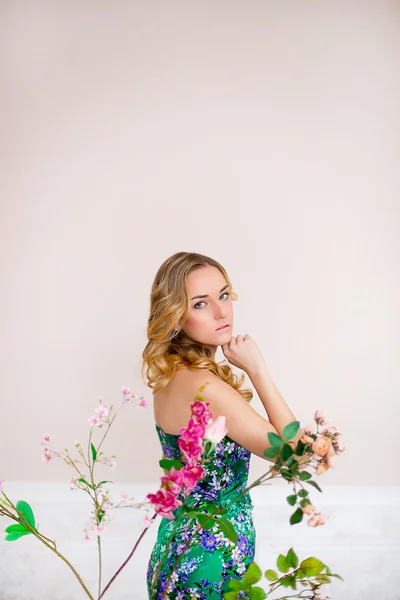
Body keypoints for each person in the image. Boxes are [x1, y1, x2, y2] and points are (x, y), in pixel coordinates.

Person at [142, 252, 300, 599]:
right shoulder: (206, 388)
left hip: (177, 546)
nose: (221, 311)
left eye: (224, 295)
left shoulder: (170, 378)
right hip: (207, 560)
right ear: (174, 314)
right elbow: (294, 458)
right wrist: (258, 370)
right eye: (200, 303)